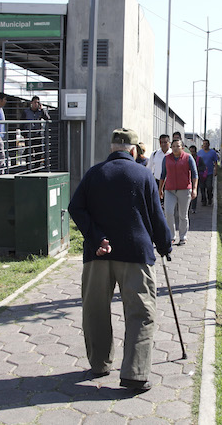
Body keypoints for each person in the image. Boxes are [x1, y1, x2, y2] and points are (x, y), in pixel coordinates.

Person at [68, 128, 172, 392]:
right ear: (134, 151)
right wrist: (165, 244)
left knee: (95, 312)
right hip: (136, 255)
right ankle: (134, 374)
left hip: (97, 255)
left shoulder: (94, 173)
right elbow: (156, 216)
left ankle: (100, 364)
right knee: (140, 313)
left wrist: (96, 237)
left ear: (112, 147)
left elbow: (75, 207)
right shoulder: (143, 175)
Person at [159, 139, 198, 245]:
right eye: (174, 146)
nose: (175, 148)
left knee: (183, 215)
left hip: (184, 190)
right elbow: (163, 175)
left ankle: (183, 236)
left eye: (178, 146)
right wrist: (160, 189)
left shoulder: (188, 157)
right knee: (168, 213)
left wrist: (194, 189)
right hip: (170, 190)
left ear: (182, 147)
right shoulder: (166, 158)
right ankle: (171, 236)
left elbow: (195, 174)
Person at [23, 96, 50, 165]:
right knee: (28, 153)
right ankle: (28, 168)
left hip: (37, 135)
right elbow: (21, 123)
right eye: (35, 102)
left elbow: (47, 118)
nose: (36, 104)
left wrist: (42, 109)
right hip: (29, 135)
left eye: (38, 102)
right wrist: (24, 134)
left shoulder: (40, 112)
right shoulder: (26, 112)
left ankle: (37, 168)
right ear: (31, 103)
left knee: (38, 152)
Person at [197, 139, 220, 206]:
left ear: (209, 144)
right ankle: (204, 200)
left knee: (209, 187)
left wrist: (216, 170)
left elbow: (215, 162)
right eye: (204, 144)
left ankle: (210, 198)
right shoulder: (200, 152)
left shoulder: (212, 152)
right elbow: (197, 162)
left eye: (206, 144)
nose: (205, 145)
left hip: (209, 173)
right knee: (202, 187)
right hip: (201, 173)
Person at [189, 145, 206, 214]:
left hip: (196, 178)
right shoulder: (187, 158)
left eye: (193, 151)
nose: (192, 153)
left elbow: (203, 167)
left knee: (194, 192)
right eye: (191, 151)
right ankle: (188, 207)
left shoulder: (199, 159)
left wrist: (196, 169)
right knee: (187, 193)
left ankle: (193, 207)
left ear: (196, 152)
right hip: (187, 178)